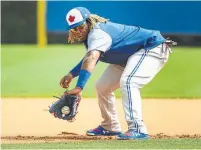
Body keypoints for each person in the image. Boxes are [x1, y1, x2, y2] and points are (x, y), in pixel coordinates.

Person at [60, 7, 175, 140]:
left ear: (89, 21)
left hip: (151, 47)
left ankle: (137, 129)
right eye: (74, 29)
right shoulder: (91, 36)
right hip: (130, 56)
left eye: (81, 26)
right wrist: (71, 74)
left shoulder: (98, 33)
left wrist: (79, 87)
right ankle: (110, 126)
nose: (79, 31)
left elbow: (91, 58)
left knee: (129, 81)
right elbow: (91, 57)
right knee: (103, 86)